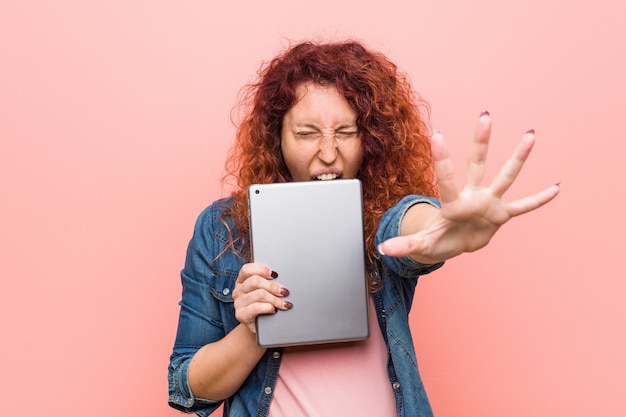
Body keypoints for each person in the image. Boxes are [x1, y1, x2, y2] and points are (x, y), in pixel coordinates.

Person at [167, 40, 559, 417]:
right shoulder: (222, 228)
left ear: (371, 139)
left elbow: (406, 224)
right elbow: (188, 390)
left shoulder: (380, 213)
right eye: (306, 133)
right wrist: (253, 329)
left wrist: (442, 226)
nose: (328, 151)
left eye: (347, 132)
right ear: (277, 137)